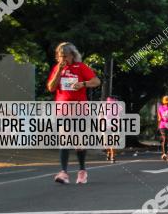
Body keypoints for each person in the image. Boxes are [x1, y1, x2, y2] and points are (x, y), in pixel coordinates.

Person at [47, 42, 101, 184]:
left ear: (72, 55)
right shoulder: (57, 68)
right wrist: (59, 71)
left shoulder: (80, 67)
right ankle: (63, 173)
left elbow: (96, 81)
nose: (62, 59)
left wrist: (83, 84)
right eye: (60, 56)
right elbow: (51, 88)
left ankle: (82, 171)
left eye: (65, 56)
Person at [104, 96, 118, 163]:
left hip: (114, 126)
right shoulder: (104, 107)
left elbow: (120, 116)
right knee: (106, 143)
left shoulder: (117, 107)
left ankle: (113, 156)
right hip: (106, 127)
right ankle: (108, 152)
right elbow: (100, 116)